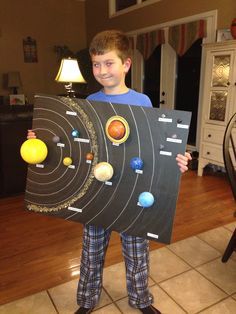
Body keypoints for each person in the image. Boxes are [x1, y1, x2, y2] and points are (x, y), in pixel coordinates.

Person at [28, 30, 191, 314]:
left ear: (126, 64)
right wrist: (41, 138)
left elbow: (156, 147)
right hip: (97, 192)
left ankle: (141, 300)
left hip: (133, 192)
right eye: (96, 64)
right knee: (91, 252)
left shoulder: (143, 103)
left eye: (109, 63)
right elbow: (73, 143)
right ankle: (87, 301)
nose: (101, 70)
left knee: (137, 252)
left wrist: (178, 160)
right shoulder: (89, 101)